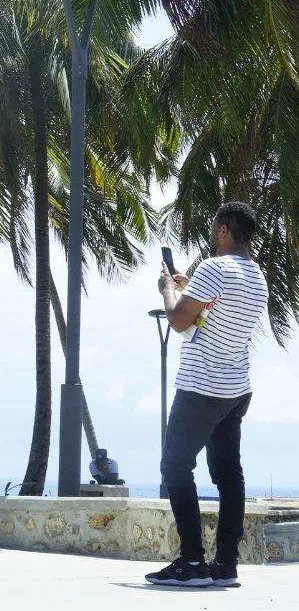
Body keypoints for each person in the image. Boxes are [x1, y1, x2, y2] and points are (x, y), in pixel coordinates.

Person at [145, 202, 268, 589]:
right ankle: (226, 566)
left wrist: (168, 291)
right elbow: (212, 319)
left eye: (215, 229)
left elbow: (181, 322)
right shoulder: (257, 277)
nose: (212, 236)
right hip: (235, 390)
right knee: (229, 476)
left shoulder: (214, 268)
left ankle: (192, 562)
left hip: (202, 387)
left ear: (225, 230)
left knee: (175, 467)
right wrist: (190, 290)